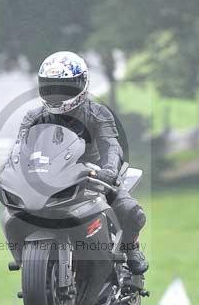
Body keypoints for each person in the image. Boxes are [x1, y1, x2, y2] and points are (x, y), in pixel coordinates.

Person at [8, 51, 148, 275]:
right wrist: (9, 174)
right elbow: (19, 150)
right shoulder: (32, 117)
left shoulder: (98, 113)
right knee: (14, 211)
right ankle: (31, 261)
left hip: (92, 177)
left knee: (132, 212)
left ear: (83, 84)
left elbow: (111, 145)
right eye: (51, 88)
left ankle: (131, 248)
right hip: (48, 178)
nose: (57, 95)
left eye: (65, 88)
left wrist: (109, 171)